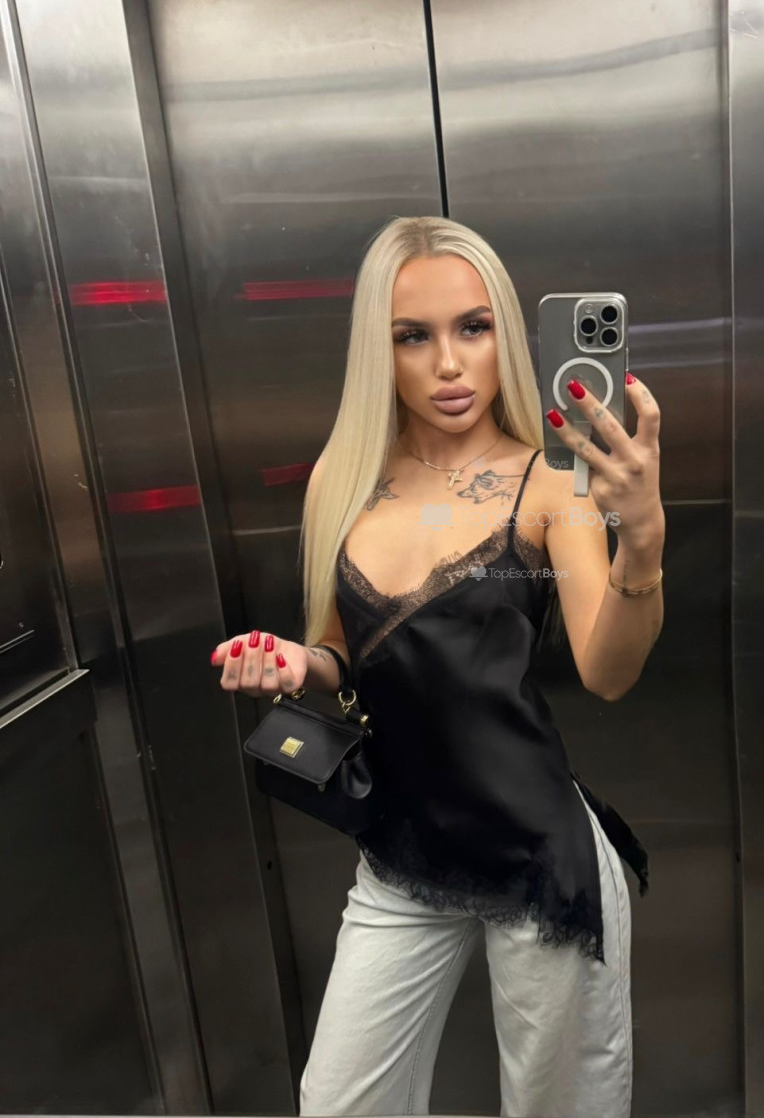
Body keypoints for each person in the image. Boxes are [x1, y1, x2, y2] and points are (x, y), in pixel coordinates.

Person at [212, 215, 665, 1116]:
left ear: (506, 334)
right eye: (412, 336)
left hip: (537, 859)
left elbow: (608, 673)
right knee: (339, 1103)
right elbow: (341, 655)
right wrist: (296, 664)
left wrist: (642, 539)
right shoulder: (343, 478)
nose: (448, 364)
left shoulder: (549, 483)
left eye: (473, 327)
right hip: (403, 853)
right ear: (377, 352)